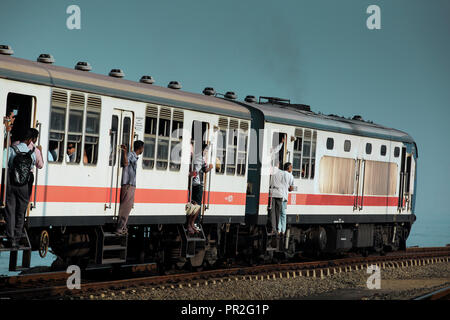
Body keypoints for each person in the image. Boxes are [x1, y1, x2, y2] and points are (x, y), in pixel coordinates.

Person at [4, 130, 36, 247]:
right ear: (29, 140)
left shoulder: (12, 149)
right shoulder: (31, 152)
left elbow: (6, 164)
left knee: (10, 211)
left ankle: (10, 238)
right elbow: (32, 166)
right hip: (24, 186)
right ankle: (17, 239)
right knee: (20, 212)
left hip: (11, 183)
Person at [115, 140, 144, 235]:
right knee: (125, 208)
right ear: (140, 148)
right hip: (128, 184)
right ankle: (120, 228)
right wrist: (124, 152)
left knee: (128, 207)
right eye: (142, 148)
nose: (143, 149)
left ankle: (123, 227)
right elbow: (126, 163)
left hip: (130, 185)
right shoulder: (131, 155)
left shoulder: (134, 156)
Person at [187, 142, 213, 234]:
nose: (206, 152)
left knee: (193, 205)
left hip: (193, 184)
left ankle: (191, 224)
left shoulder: (196, 157)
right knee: (197, 206)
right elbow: (197, 171)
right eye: (206, 150)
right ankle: (193, 223)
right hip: (196, 184)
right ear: (203, 149)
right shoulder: (199, 158)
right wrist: (210, 167)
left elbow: (202, 170)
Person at [12, 128, 44, 199]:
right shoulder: (35, 150)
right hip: (28, 176)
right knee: (24, 199)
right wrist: (40, 151)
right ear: (34, 138)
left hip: (14, 174)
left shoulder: (14, 144)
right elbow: (40, 165)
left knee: (13, 198)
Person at [278, 162, 294, 235]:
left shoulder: (279, 173)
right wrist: (290, 188)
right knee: (283, 214)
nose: (292, 168)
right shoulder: (290, 176)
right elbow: (291, 188)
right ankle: (283, 230)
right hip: (284, 197)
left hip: (277, 195)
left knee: (278, 213)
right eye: (291, 167)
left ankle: (278, 229)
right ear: (288, 168)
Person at [268, 165, 284, 234]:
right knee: (278, 212)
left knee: (272, 212)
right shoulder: (282, 173)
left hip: (272, 193)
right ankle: (278, 228)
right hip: (279, 193)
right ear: (278, 165)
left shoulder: (270, 172)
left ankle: (273, 228)